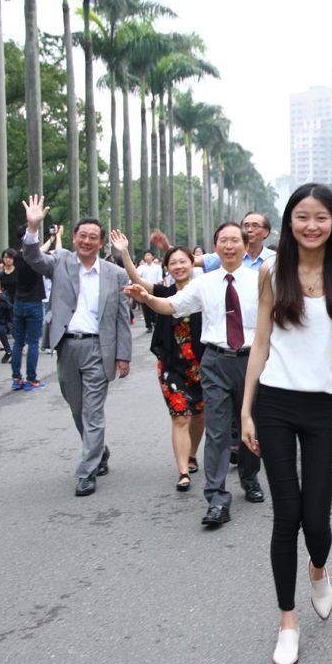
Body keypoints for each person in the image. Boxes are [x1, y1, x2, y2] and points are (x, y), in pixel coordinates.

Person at [238, 183, 332, 664]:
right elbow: (261, 343)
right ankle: (287, 621)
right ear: (289, 222)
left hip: (323, 408)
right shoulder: (272, 272)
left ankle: (318, 565)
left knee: (318, 521)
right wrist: (247, 409)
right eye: (302, 217)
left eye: (321, 217)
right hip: (274, 404)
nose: (312, 225)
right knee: (285, 516)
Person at [127, 221, 263, 524]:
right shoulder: (204, 283)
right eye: (223, 241)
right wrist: (147, 299)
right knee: (216, 430)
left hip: (251, 362)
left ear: (245, 246)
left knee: (249, 425)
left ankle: (250, 477)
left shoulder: (259, 280)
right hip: (214, 362)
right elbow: (171, 305)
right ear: (215, 247)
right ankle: (216, 498)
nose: (229, 246)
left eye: (234, 241)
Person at [21, 195, 132, 497]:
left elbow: (123, 319)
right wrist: (33, 229)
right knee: (77, 408)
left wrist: (123, 356)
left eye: (93, 237)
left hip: (100, 349)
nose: (86, 241)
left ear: (100, 243)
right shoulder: (60, 263)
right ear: (74, 238)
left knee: (93, 412)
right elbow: (32, 258)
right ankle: (99, 451)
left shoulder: (115, 274)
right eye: (82, 236)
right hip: (67, 347)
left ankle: (86, 472)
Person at [113, 231, 205, 490]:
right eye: (172, 263)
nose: (178, 266)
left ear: (192, 263)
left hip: (202, 364)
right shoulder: (163, 291)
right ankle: (183, 471)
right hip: (171, 365)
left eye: (183, 261)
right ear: (166, 267)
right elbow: (137, 279)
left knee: (199, 415)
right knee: (180, 417)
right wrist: (125, 252)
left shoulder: (205, 290)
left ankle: (191, 453)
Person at [10, 225, 49, 392]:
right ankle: (32, 379)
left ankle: (16, 378)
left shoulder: (16, 257)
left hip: (19, 302)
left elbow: (38, 249)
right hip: (34, 303)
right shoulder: (34, 257)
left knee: (18, 343)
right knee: (33, 342)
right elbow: (40, 251)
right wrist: (53, 238)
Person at [136, 251, 163, 332]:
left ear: (152, 257)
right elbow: (137, 276)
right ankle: (148, 325)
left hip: (154, 288)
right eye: (146, 255)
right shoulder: (141, 268)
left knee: (154, 306)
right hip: (144, 289)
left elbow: (159, 279)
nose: (147, 257)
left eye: (149, 255)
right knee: (145, 308)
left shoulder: (157, 267)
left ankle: (155, 321)